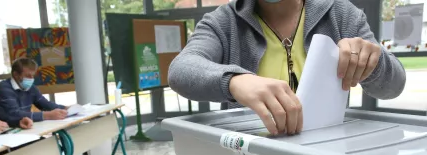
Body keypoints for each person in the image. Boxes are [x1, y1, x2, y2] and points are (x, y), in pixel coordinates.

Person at [168, 0, 406, 136]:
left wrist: (371, 60)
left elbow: (394, 85)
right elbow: (182, 69)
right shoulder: (223, 22)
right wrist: (234, 80)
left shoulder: (340, 14)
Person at [0, 58, 68, 122]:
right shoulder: (4, 89)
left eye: (33, 76)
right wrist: (47, 115)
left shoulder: (31, 88)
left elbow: (45, 104)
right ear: (16, 74)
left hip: (25, 127)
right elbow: (14, 114)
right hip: (5, 132)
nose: (31, 79)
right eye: (28, 76)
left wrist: (66, 108)